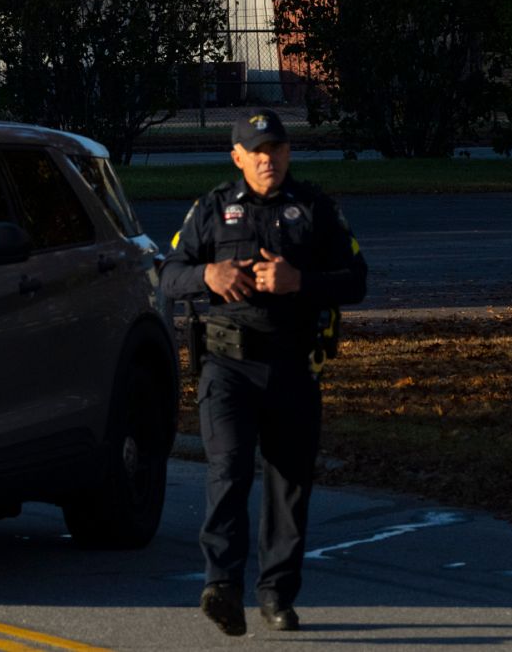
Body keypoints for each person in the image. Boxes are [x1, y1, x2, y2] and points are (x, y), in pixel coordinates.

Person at [159, 108, 367, 635]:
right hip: (228, 364)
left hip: (295, 363)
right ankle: (221, 585)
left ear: (288, 152)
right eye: (255, 151)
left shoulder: (315, 208)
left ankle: (276, 593)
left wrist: (301, 281)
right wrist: (208, 273)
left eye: (274, 149)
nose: (266, 159)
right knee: (227, 470)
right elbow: (167, 274)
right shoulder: (212, 209)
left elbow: (356, 280)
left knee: (289, 484)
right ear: (237, 157)